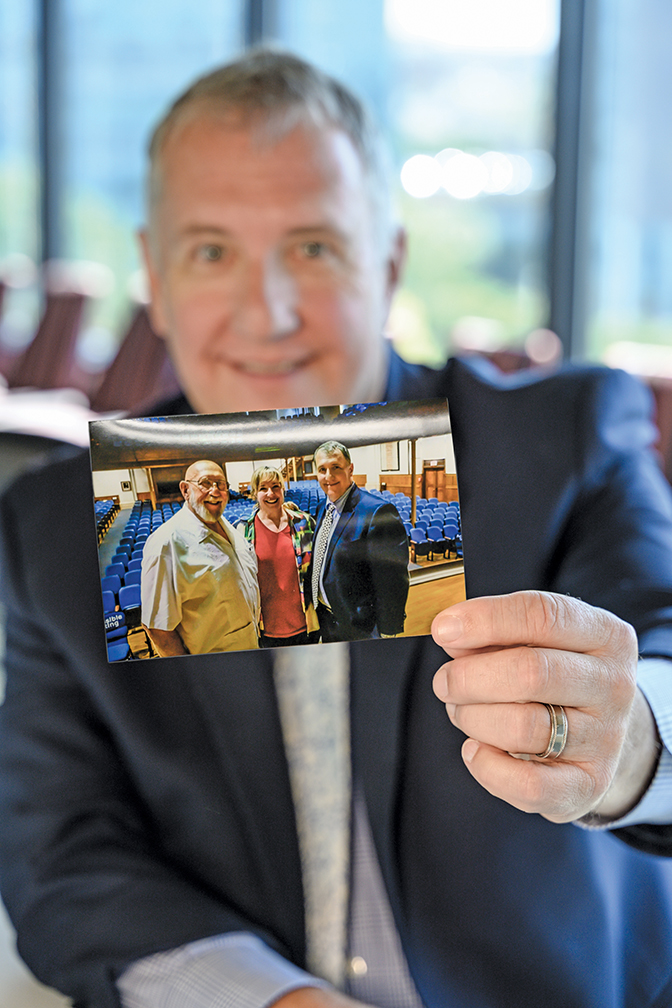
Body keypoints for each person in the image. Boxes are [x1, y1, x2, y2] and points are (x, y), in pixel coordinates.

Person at [1, 48, 672, 1008]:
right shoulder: (57, 530)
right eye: (211, 251)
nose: (267, 314)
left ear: (389, 260)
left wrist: (633, 739)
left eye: (314, 247)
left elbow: (664, 650)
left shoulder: (562, 443)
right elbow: (60, 855)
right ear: (152, 270)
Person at [141, 459, 260, 654]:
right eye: (205, 483)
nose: (215, 491)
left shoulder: (228, 526)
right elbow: (158, 628)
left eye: (221, 484)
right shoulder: (165, 544)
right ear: (185, 490)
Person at [309, 440, 409, 642]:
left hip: (360, 627)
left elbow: (392, 578)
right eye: (322, 469)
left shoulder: (377, 512)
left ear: (350, 469)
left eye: (336, 467)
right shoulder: (322, 508)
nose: (328, 476)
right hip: (327, 621)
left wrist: (388, 629)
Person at [238, 465, 318, 647]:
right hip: (266, 629)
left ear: (283, 489)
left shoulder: (303, 523)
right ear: (255, 493)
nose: (270, 493)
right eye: (263, 488)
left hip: (305, 625)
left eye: (275, 486)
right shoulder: (244, 530)